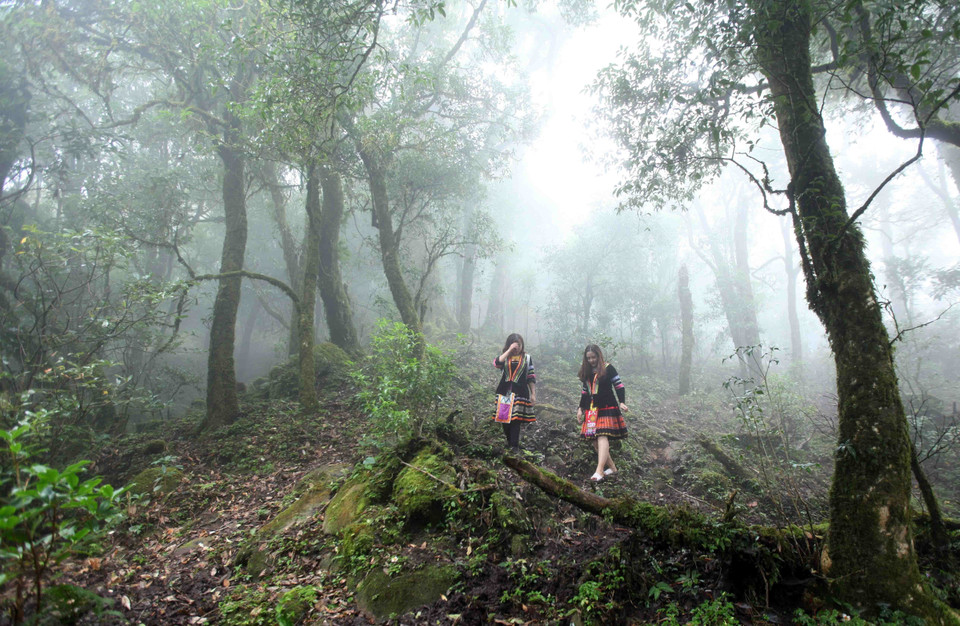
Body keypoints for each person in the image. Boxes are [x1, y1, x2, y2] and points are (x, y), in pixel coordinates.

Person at [576, 344, 628, 481]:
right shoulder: (587, 372)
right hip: (592, 409)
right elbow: (585, 392)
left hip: (607, 406)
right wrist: (580, 408)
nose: (591, 360)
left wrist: (622, 401)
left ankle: (599, 471)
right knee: (594, 440)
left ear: (599, 356)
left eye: (593, 357)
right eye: (588, 358)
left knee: (602, 436)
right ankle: (612, 468)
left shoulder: (608, 368)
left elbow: (619, 385)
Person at [492, 333, 537, 452]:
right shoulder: (505, 357)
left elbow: (531, 376)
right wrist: (509, 350)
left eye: (519, 346)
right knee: (503, 418)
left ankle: (514, 446)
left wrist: (533, 394)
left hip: (520, 392)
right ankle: (510, 442)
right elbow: (496, 364)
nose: (517, 349)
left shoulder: (527, 358)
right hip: (504, 392)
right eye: (515, 346)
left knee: (516, 419)